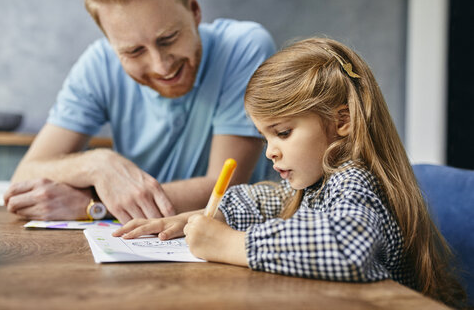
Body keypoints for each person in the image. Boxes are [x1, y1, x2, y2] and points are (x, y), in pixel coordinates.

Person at [113, 37, 467, 308]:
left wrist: (231, 244)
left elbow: (350, 246)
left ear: (341, 120)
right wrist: (211, 214)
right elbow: (270, 198)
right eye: (265, 136)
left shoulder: (354, 178)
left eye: (282, 133)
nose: (271, 150)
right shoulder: (320, 181)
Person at [3, 0, 276, 223]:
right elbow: (24, 177)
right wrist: (97, 164)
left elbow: (224, 186)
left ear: (193, 8)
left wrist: (96, 206)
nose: (161, 66)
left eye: (168, 38)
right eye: (133, 51)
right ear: (111, 44)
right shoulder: (98, 66)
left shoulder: (244, 47)